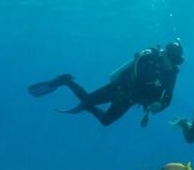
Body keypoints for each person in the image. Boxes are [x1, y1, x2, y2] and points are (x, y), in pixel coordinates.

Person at [29, 41, 183, 126]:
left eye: (175, 61)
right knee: (87, 99)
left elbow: (168, 97)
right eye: (171, 59)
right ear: (165, 54)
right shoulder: (148, 59)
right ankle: (66, 81)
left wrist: (160, 106)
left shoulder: (171, 74)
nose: (172, 64)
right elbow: (139, 78)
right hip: (119, 89)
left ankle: (86, 107)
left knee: (106, 121)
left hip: (130, 100)